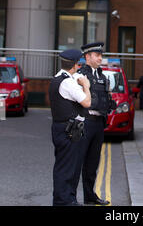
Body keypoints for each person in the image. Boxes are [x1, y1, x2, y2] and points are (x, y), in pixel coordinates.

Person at [48, 49, 91, 207]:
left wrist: (78, 77)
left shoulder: (60, 78)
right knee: (66, 167)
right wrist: (86, 86)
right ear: (75, 65)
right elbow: (87, 102)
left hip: (64, 129)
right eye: (79, 63)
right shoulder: (67, 83)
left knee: (69, 166)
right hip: (68, 130)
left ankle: (68, 199)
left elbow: (75, 77)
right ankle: (63, 201)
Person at [75, 42, 115, 206]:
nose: (100, 58)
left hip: (98, 124)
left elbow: (106, 97)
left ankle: (89, 196)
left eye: (101, 55)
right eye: (97, 55)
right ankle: (70, 197)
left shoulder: (101, 75)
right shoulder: (80, 75)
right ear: (87, 57)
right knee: (76, 162)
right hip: (85, 122)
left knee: (93, 162)